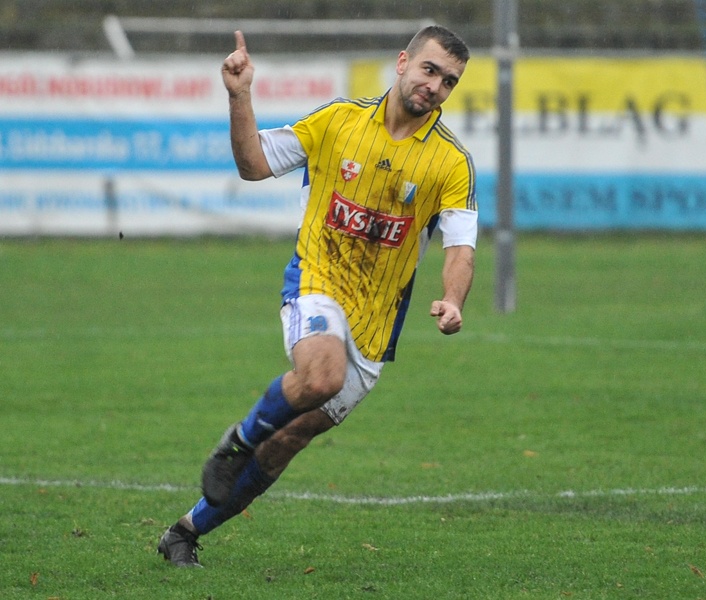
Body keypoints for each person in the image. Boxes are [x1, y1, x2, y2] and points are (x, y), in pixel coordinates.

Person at [157, 25, 477, 567]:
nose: (436, 86)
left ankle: (184, 532)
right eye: (429, 70)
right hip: (316, 280)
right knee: (320, 376)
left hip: (376, 326)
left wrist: (454, 299)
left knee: (288, 442)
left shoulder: (450, 162)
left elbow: (461, 248)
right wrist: (240, 97)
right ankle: (236, 442)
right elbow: (253, 164)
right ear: (402, 63)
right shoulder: (339, 121)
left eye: (449, 82)